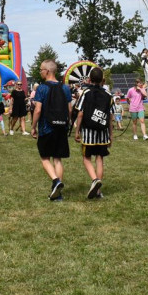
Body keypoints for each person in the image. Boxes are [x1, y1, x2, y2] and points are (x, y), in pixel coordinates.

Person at [31, 59, 73, 201]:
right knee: (58, 158)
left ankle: (56, 181)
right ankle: (58, 193)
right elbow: (69, 109)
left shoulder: (42, 88)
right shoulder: (65, 88)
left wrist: (33, 126)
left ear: (47, 71)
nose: (40, 72)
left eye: (41, 69)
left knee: (44, 157)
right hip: (61, 127)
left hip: (46, 127)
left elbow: (37, 110)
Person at [73, 67, 113, 200]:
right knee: (100, 159)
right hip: (103, 132)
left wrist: (77, 131)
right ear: (103, 79)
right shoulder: (108, 95)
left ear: (89, 79)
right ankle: (98, 191)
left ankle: (94, 179)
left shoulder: (85, 93)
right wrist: (111, 135)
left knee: (86, 158)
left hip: (89, 131)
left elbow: (80, 113)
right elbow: (110, 117)